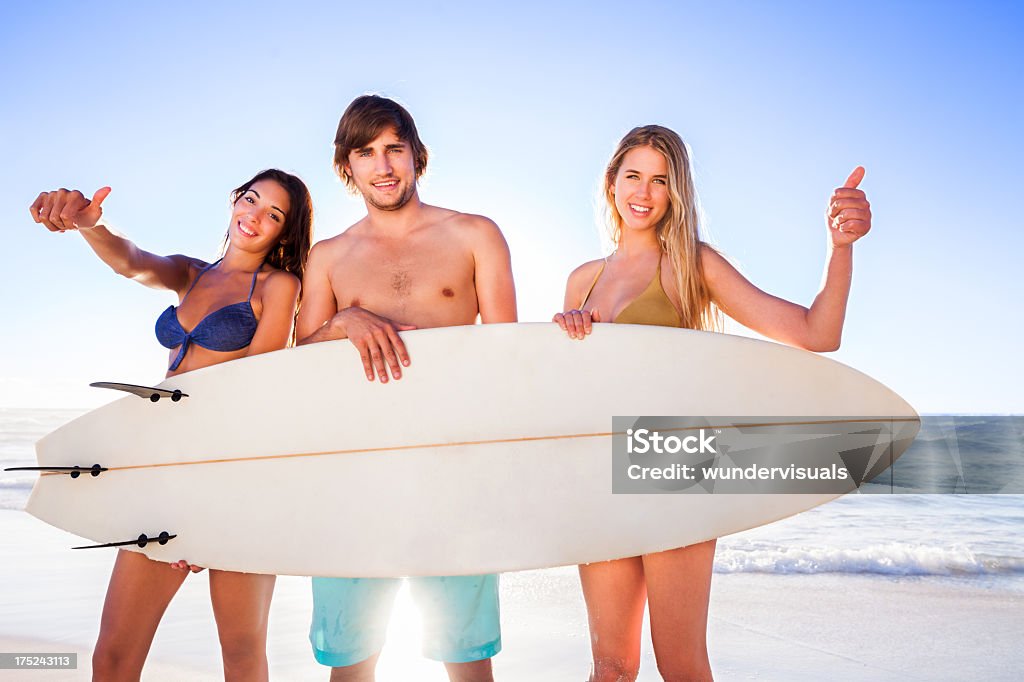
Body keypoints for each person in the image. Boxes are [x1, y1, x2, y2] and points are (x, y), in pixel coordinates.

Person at [553, 125, 872, 681]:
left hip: (670, 464)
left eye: (660, 180)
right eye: (633, 176)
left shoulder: (694, 264)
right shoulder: (582, 279)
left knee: (680, 664)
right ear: (611, 183)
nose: (644, 192)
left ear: (676, 191)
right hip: (596, 471)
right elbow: (567, 393)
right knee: (609, 666)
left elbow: (816, 333)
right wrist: (569, 332)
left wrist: (838, 249)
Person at [29, 168, 314, 682]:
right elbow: (132, 262)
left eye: (273, 214)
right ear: (234, 202)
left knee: (242, 655)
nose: (254, 216)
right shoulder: (191, 273)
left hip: (233, 480)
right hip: (161, 472)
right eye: (250, 200)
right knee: (113, 657)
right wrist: (92, 225)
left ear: (284, 232)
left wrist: (205, 511)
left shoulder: (279, 286)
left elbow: (257, 394)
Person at [296, 95, 516, 682]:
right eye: (366, 153)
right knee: (351, 655)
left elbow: (508, 360)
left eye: (395, 148)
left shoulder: (475, 235)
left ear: (417, 155)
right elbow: (297, 368)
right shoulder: (329, 256)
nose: (383, 165)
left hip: (452, 463)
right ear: (348, 168)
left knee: (465, 653)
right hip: (353, 466)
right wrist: (342, 322)